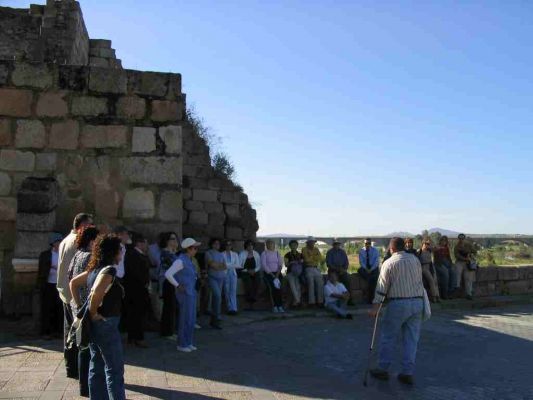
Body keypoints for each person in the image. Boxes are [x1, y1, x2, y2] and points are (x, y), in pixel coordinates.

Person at [70, 235, 126, 400]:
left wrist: (81, 307)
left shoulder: (94, 269)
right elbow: (96, 292)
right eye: (120, 250)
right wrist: (93, 312)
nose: (121, 253)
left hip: (96, 325)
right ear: (113, 252)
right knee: (114, 369)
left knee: (97, 366)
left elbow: (73, 283)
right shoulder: (109, 270)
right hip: (106, 322)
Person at [369, 237, 425, 386]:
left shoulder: (389, 263)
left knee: (388, 337)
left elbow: (381, 288)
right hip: (417, 302)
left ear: (391, 248)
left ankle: (383, 368)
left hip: (398, 303)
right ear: (404, 247)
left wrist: (376, 307)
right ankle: (407, 372)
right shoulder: (415, 260)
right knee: (411, 340)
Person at [57, 213, 93, 379]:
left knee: (70, 332)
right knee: (78, 334)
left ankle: (71, 368)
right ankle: (77, 369)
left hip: (65, 290)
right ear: (81, 227)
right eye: (89, 226)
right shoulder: (76, 242)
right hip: (74, 294)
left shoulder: (65, 239)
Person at [67, 226, 99, 398]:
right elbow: (84, 282)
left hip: (76, 304)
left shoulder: (76, 254)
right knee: (86, 347)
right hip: (84, 306)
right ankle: (86, 386)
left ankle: (84, 384)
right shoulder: (88, 257)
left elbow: (69, 276)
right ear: (92, 240)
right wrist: (81, 306)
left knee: (82, 345)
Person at [164, 238, 201, 352]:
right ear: (188, 249)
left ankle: (188, 342)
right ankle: (182, 344)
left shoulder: (189, 260)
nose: (196, 250)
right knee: (185, 318)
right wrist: (178, 285)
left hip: (191, 293)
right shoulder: (180, 261)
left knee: (191, 319)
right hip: (185, 294)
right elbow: (168, 274)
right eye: (194, 248)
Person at [124, 233, 151, 348]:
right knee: (138, 314)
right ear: (139, 243)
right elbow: (137, 273)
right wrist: (145, 284)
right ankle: (137, 337)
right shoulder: (133, 255)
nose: (147, 245)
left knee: (135, 314)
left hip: (137, 289)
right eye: (145, 243)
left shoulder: (138, 255)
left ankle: (132, 337)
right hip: (136, 290)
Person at [37, 232, 64, 339]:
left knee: (59, 309)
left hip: (59, 284)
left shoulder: (63, 254)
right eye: (58, 242)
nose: (60, 244)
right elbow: (42, 270)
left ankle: (58, 331)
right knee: (47, 308)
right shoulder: (45, 255)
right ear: (53, 243)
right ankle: (46, 332)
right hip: (48, 284)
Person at [159, 232, 180, 337]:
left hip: (174, 281)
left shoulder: (173, 253)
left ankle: (170, 330)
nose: (175, 240)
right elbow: (170, 267)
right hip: (167, 282)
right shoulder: (165, 253)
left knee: (173, 307)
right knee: (169, 307)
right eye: (172, 239)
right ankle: (167, 332)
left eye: (175, 238)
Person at [205, 238, 227, 329]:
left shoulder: (221, 254)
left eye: (218, 243)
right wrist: (218, 265)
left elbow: (224, 266)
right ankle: (216, 317)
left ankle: (214, 320)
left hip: (221, 278)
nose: (217, 245)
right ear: (212, 244)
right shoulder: (208, 253)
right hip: (212, 277)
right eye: (215, 243)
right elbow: (212, 265)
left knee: (218, 299)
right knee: (217, 296)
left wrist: (217, 265)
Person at [261, 239, 284, 313]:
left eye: (272, 244)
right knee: (272, 289)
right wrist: (272, 275)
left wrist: (277, 274)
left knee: (279, 289)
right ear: (266, 245)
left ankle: (280, 305)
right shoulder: (264, 253)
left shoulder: (277, 253)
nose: (270, 245)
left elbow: (280, 264)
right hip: (269, 274)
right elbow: (264, 265)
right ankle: (274, 306)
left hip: (277, 273)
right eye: (269, 244)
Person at [301, 238, 324, 307]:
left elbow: (320, 258)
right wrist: (314, 257)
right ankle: (312, 302)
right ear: (307, 243)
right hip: (308, 268)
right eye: (310, 242)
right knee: (311, 283)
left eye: (313, 242)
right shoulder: (304, 249)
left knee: (320, 282)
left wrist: (311, 256)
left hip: (316, 268)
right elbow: (306, 260)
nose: (312, 243)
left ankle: (320, 301)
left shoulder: (316, 249)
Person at [238, 240, 261, 309]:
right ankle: (249, 299)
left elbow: (259, 265)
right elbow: (239, 265)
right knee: (248, 282)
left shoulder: (256, 254)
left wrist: (254, 270)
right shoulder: (242, 254)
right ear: (246, 246)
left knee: (257, 281)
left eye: (251, 245)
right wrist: (248, 270)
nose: (250, 247)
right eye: (248, 245)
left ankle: (254, 298)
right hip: (245, 271)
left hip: (255, 271)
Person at [147, 233, 164, 322]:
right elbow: (154, 262)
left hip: (162, 277)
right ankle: (158, 319)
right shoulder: (151, 248)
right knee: (156, 301)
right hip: (154, 277)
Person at [454, 233, 476, 300]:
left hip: (467, 263)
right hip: (460, 262)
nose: (461, 240)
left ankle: (469, 294)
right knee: (457, 272)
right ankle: (457, 286)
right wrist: (465, 258)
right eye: (460, 238)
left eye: (462, 238)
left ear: (464, 238)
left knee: (468, 279)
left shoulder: (468, 245)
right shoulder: (457, 246)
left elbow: (474, 251)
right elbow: (457, 255)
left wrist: (470, 255)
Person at [358, 238, 380, 304]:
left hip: (373, 267)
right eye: (366, 243)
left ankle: (370, 298)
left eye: (369, 243)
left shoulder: (375, 250)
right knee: (360, 270)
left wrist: (371, 269)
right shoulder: (361, 251)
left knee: (375, 275)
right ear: (364, 244)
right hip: (365, 268)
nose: (367, 245)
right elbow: (361, 262)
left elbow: (376, 262)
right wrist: (366, 269)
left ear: (370, 244)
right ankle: (370, 280)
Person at [222, 240, 240, 315]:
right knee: (227, 291)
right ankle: (229, 308)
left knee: (233, 291)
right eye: (227, 245)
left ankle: (234, 308)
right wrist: (231, 265)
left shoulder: (235, 254)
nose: (228, 246)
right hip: (225, 274)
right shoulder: (221, 254)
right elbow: (222, 265)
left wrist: (228, 265)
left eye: (229, 245)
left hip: (233, 274)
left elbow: (238, 265)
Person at [284, 240, 303, 307]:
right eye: (292, 245)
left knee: (298, 286)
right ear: (290, 246)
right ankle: (298, 301)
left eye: (295, 245)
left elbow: (303, 263)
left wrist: (300, 262)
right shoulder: (287, 255)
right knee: (293, 285)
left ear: (297, 246)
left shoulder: (300, 254)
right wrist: (291, 263)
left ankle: (295, 302)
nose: (293, 246)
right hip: (290, 273)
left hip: (297, 273)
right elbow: (286, 265)